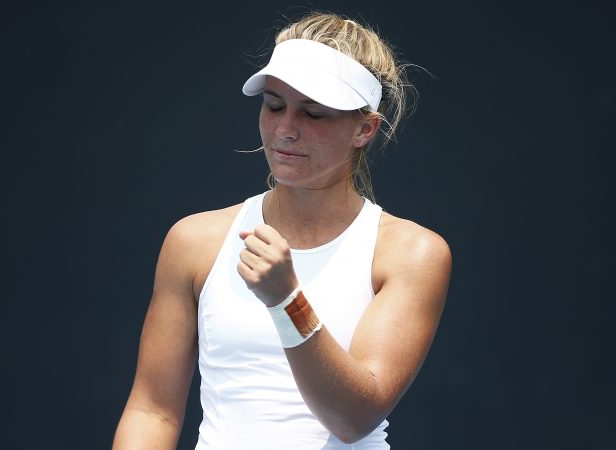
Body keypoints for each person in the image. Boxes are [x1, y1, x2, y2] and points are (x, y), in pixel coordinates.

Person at [113, 11, 451, 450]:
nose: (285, 129)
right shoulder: (193, 241)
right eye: (274, 105)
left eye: (313, 113)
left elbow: (354, 419)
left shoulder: (411, 253)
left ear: (364, 129)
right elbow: (151, 410)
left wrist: (289, 302)